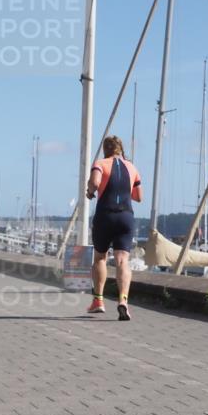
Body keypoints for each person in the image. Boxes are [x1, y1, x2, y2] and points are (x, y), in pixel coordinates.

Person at [85, 136, 142, 320]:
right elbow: (138, 196)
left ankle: (98, 301)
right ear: (120, 149)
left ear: (105, 149)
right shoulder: (132, 167)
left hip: (105, 215)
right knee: (122, 260)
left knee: (100, 257)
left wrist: (90, 192)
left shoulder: (100, 163)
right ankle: (123, 300)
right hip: (126, 216)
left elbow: (94, 183)